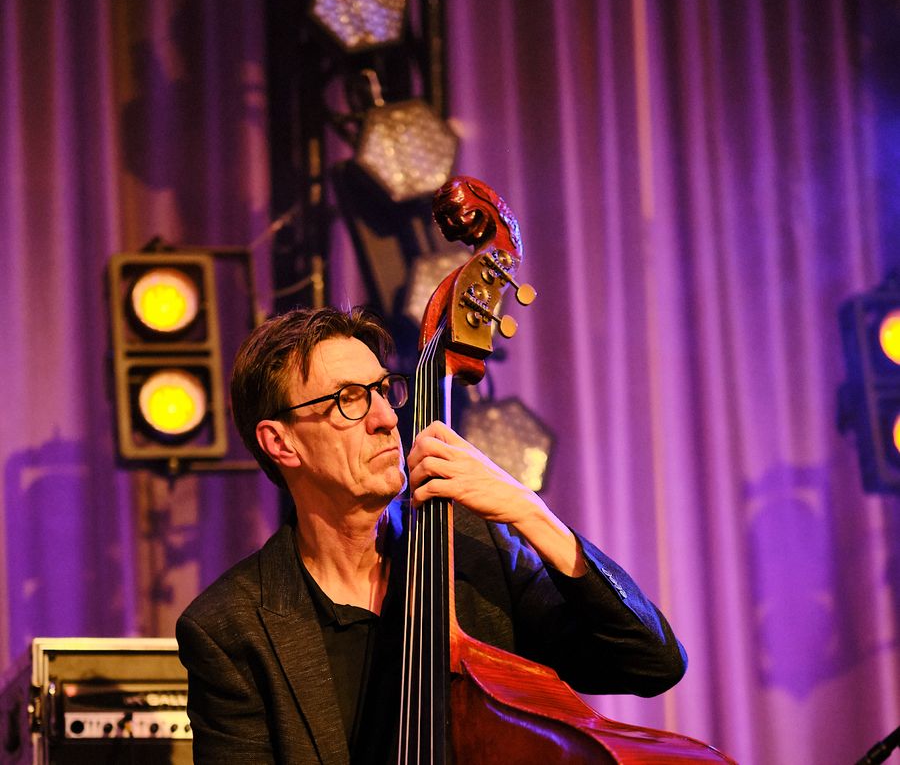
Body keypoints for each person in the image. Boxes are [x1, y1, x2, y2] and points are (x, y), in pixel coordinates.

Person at [176, 306, 687, 764]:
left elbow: (651, 663)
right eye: (349, 399)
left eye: (382, 390)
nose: (386, 418)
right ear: (281, 442)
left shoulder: (473, 551)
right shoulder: (229, 628)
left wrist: (531, 513)